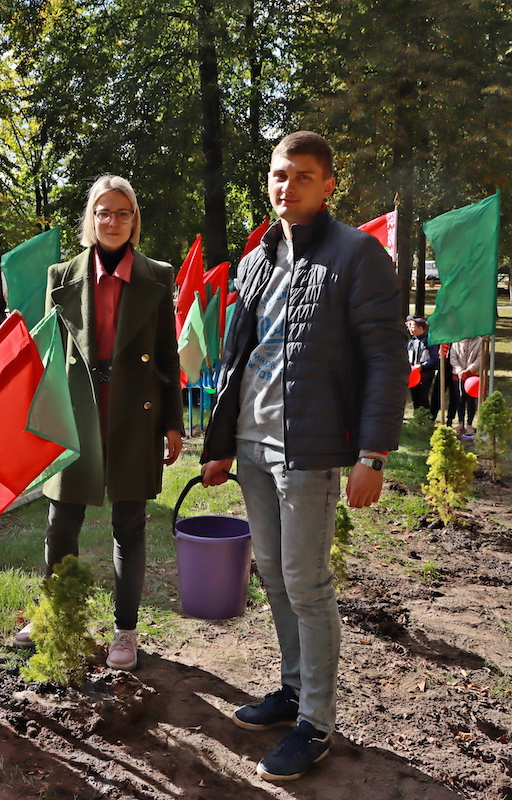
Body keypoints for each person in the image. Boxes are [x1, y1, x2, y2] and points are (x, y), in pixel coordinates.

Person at [201, 132, 407, 781]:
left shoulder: (357, 254)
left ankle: (316, 722)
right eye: (279, 174)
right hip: (252, 446)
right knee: (272, 573)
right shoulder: (257, 258)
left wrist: (373, 453)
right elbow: (236, 359)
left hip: (308, 450)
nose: (286, 186)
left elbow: (385, 358)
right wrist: (219, 445)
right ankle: (292, 691)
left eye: (302, 176)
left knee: (307, 582)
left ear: (328, 186)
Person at [13, 174, 184, 672]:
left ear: (134, 220)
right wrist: (37, 417)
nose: (112, 221)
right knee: (60, 521)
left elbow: (168, 354)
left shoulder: (158, 276)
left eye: (122, 213)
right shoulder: (61, 275)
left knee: (128, 525)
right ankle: (53, 616)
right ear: (91, 218)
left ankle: (125, 631)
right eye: (103, 212)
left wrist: (173, 422)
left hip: (134, 414)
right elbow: (48, 352)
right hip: (76, 412)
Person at [447, 336, 483, 436]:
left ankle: (470, 424)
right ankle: (460, 423)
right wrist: (460, 371)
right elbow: (453, 357)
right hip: (458, 375)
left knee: (471, 400)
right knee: (459, 399)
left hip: (473, 376)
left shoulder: (480, 341)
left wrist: (468, 370)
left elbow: (480, 358)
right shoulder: (456, 340)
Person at [406, 316, 438, 413]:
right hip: (412, 374)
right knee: (415, 397)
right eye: (410, 327)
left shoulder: (429, 340)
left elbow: (434, 358)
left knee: (423, 397)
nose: (411, 329)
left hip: (425, 374)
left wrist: (423, 366)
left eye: (413, 327)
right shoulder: (411, 341)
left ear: (420, 328)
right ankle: (417, 417)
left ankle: (425, 417)